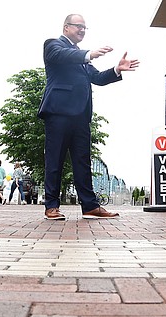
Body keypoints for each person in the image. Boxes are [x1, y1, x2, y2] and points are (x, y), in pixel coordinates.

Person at [37, 14, 139, 220]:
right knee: (54, 160)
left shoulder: (81, 56)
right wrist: (89, 54)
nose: (82, 30)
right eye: (78, 26)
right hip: (58, 113)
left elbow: (97, 78)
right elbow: (62, 56)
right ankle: (51, 206)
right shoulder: (53, 45)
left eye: (85, 28)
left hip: (81, 116)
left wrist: (116, 70)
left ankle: (90, 205)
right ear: (66, 27)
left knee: (83, 161)